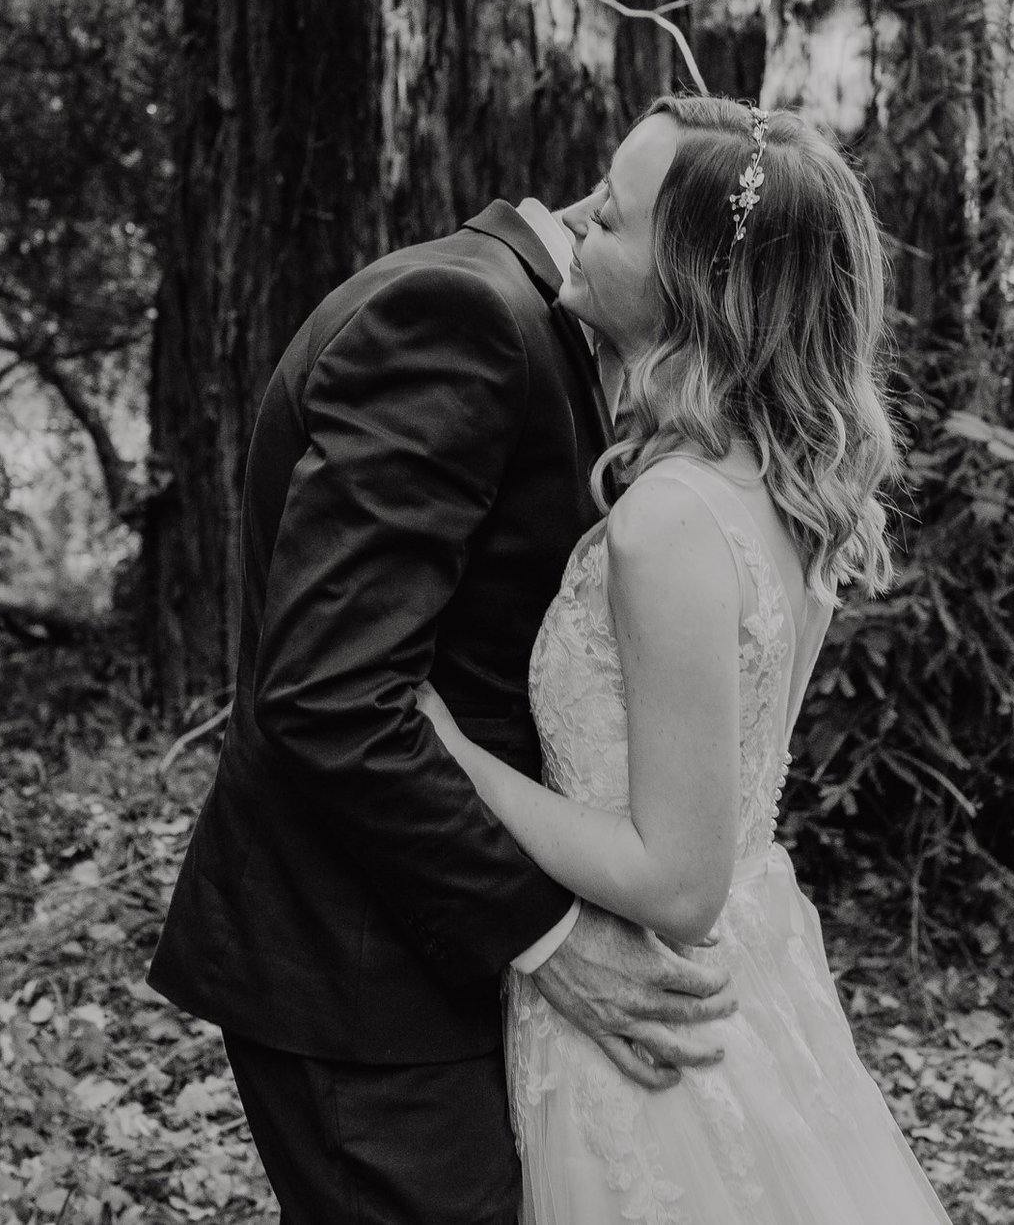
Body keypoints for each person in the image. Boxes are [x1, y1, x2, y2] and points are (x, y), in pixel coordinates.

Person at [147, 170, 735, 1225]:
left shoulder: (547, 328)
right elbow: (331, 695)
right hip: (361, 971)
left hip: (434, 960)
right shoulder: (461, 315)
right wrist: (551, 939)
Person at [416, 95, 952, 1223]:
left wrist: (454, 752)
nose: (572, 221)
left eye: (609, 220)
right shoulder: (783, 493)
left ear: (694, 287)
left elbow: (675, 877)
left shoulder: (670, 519)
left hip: (651, 1011)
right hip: (751, 975)